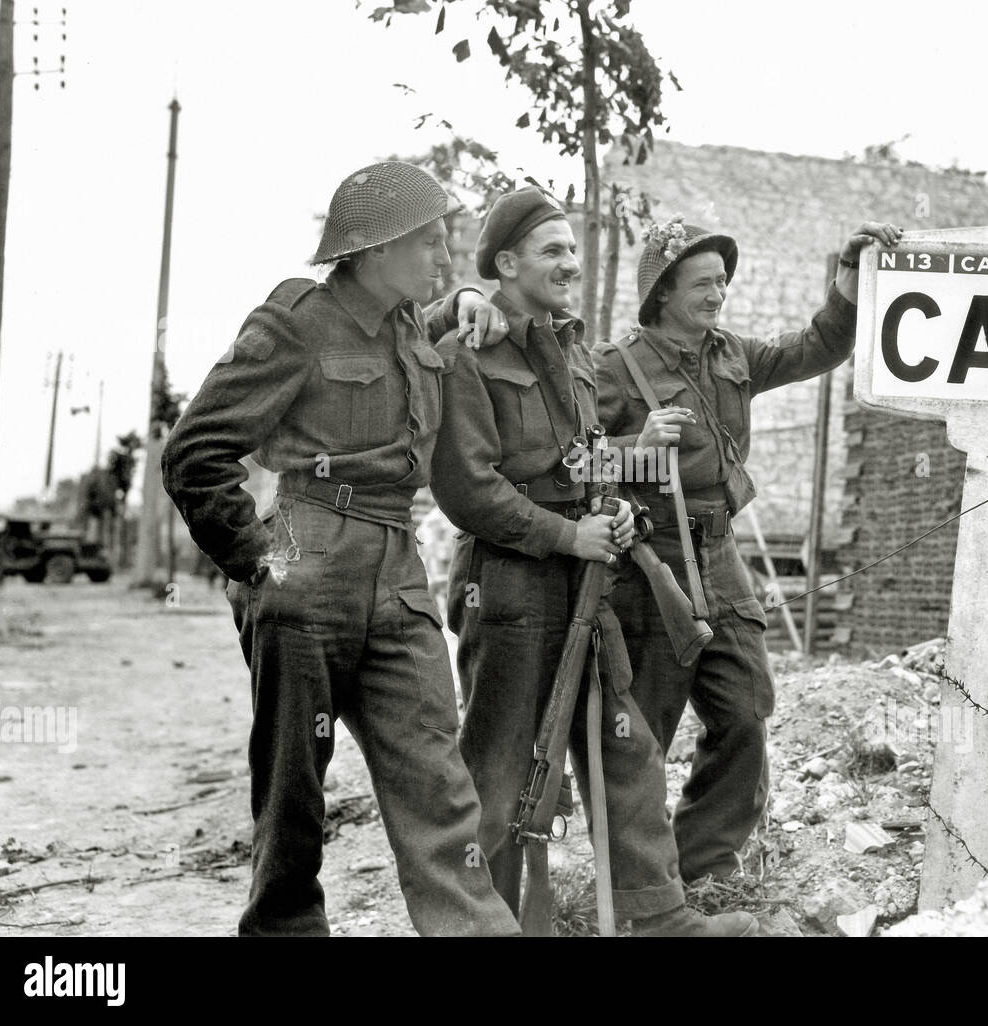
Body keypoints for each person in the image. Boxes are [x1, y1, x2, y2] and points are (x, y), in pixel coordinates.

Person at [162, 161, 519, 937]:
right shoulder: (294, 322)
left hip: (397, 571)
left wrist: (459, 301)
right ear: (375, 249)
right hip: (306, 558)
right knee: (294, 796)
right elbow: (195, 454)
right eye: (430, 244)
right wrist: (260, 563)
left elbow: (421, 335)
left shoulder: (404, 326)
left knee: (437, 780)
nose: (444, 259)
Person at [431, 187, 758, 936]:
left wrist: (623, 483)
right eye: (552, 251)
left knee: (625, 747)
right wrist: (568, 533)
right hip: (510, 588)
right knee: (503, 767)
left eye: (573, 250)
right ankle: (488, 927)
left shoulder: (576, 352)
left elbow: (581, 459)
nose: (570, 264)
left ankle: (657, 918)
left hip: (586, 586)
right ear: (505, 263)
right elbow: (469, 490)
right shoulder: (466, 354)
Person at [592, 215, 902, 883]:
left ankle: (703, 861)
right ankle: (639, 882)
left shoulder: (732, 354)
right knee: (642, 728)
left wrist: (848, 278)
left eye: (723, 282)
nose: (718, 294)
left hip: (721, 555)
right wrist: (635, 449)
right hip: (648, 561)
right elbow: (573, 463)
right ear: (663, 292)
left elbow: (818, 345)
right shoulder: (613, 369)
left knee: (743, 712)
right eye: (702, 283)